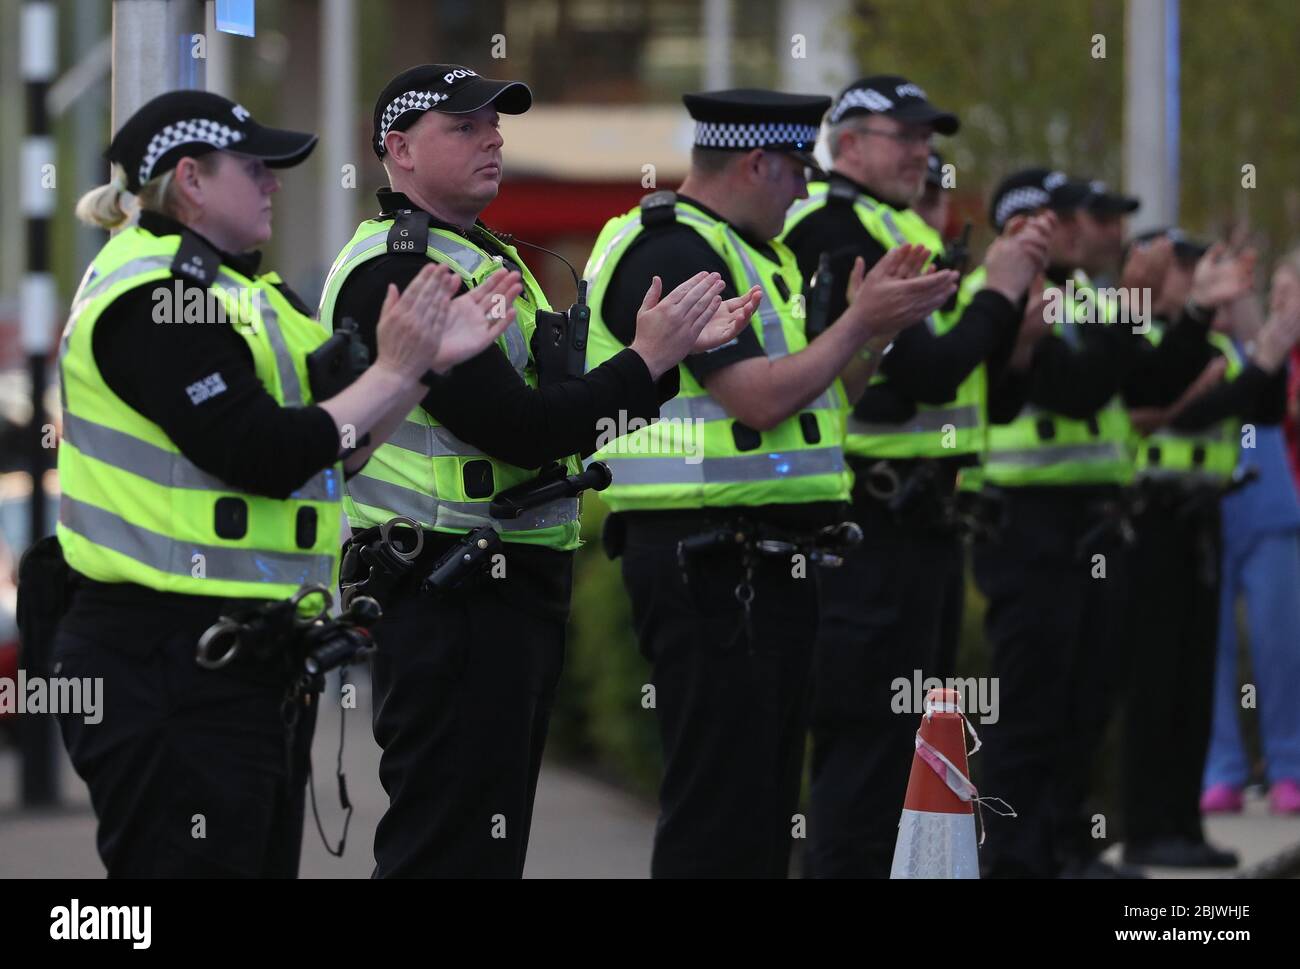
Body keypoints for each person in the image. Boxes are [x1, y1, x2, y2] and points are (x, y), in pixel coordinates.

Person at [50, 90, 507, 877]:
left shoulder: (249, 296)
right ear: (189, 180)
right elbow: (261, 452)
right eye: (256, 167)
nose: (274, 183)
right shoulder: (159, 298)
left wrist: (423, 369)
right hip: (166, 661)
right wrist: (398, 367)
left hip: (247, 663)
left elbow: (340, 450)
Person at [319, 65, 748, 877]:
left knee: (481, 851)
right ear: (398, 150)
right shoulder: (402, 269)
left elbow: (572, 415)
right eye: (465, 125)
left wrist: (661, 359)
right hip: (450, 595)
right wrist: (649, 358)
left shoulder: (476, 257)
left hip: (498, 593)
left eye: (496, 123)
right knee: (443, 853)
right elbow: (520, 432)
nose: (493, 137)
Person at [583, 87, 960, 877]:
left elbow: (830, 397)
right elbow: (757, 394)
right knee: (720, 809)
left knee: (760, 806)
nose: (803, 190)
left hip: (763, 558)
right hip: (709, 561)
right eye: (795, 171)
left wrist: (875, 330)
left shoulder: (753, 250)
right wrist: (859, 323)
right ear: (756, 162)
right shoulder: (673, 248)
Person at [778, 76, 1052, 878]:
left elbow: (972, 392)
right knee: (864, 747)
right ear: (849, 141)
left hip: (923, 526)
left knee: (909, 747)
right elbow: (924, 372)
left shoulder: (893, 225)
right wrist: (998, 292)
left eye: (929, 138)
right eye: (906, 135)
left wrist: (1015, 331)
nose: (923, 152)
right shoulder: (835, 223)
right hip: (870, 527)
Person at [1118, 229, 1291, 867]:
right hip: (1152, 517)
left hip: (1201, 516)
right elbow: (1181, 408)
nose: (1197, 280)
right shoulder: (1138, 339)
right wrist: (1257, 367)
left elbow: (1264, 408)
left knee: (1193, 675)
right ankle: (1148, 826)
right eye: (1185, 268)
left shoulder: (1211, 340)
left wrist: (1269, 346)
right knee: (1157, 678)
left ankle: (1183, 824)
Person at [1200, 251, 1300, 818]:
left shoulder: (1264, 352)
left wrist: (1251, 311)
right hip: (1212, 509)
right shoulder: (1188, 351)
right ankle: (1222, 770)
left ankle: (1290, 766)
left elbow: (1269, 398)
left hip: (1269, 509)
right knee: (1209, 646)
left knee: (1280, 646)